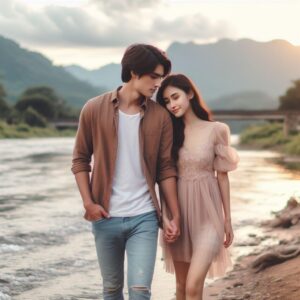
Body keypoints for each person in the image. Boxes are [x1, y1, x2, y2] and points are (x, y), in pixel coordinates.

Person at [71, 44, 180, 300]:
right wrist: (89, 204)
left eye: (161, 78)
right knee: (111, 290)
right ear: (133, 72)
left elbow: (165, 169)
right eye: (154, 76)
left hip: (144, 217)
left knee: (140, 291)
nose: (158, 84)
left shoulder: (160, 117)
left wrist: (171, 215)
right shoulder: (93, 108)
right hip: (105, 216)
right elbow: (80, 160)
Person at [156, 74, 239, 300]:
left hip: (208, 216)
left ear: (190, 94)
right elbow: (164, 178)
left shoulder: (217, 130)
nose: (172, 105)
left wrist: (227, 220)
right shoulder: (169, 134)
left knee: (193, 286)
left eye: (175, 97)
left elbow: (222, 177)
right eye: (166, 101)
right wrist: (166, 217)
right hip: (179, 215)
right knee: (182, 287)